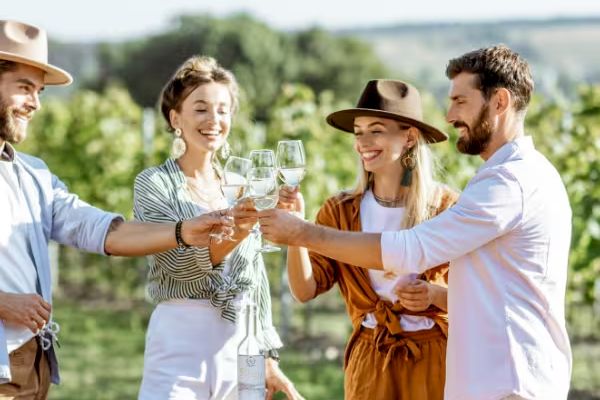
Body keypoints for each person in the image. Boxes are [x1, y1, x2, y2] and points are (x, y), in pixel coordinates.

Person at [259, 45, 572, 400]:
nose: (450, 114)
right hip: (490, 377)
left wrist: (301, 232)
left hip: (507, 382)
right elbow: (488, 292)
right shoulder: (514, 175)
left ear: (499, 102)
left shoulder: (506, 183)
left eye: (460, 101)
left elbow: (412, 249)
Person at [0, 20, 232, 399]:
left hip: (29, 364)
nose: (36, 103)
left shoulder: (34, 176)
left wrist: (183, 231)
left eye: (39, 91)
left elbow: (101, 229)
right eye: (24, 88)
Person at [133, 55, 302, 400]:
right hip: (180, 337)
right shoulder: (154, 184)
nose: (214, 120)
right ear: (175, 117)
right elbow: (178, 266)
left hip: (242, 338)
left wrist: (267, 355)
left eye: (223, 110)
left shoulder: (243, 187)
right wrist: (237, 233)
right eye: (201, 109)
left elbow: (254, 277)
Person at [276, 79, 458, 399]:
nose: (363, 141)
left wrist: (434, 295)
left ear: (410, 137)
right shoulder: (341, 212)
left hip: (434, 360)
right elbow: (304, 290)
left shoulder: (447, 208)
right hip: (371, 360)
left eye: (376, 130)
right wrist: (296, 231)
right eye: (358, 132)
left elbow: (480, 298)